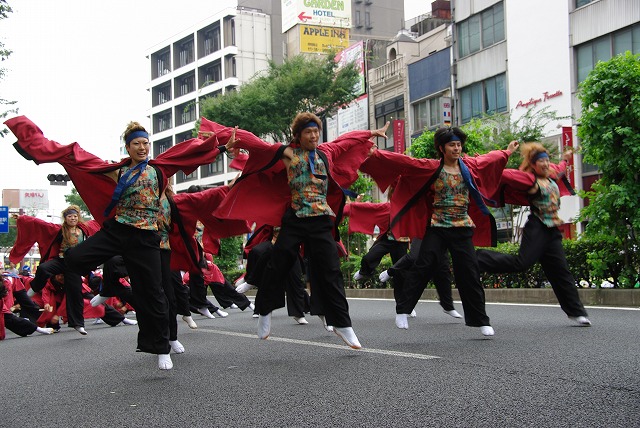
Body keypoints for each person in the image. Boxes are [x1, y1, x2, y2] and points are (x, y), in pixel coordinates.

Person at [5, 115, 228, 370]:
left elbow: (190, 154)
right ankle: (98, 289)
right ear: (128, 147)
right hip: (118, 230)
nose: (142, 148)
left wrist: (220, 148)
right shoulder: (116, 170)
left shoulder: (159, 169)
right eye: (137, 144)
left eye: (146, 143)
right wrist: (34, 142)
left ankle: (162, 347)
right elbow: (76, 155)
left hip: (145, 239)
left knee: (154, 294)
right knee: (74, 258)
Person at [208, 114, 389, 349]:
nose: (313, 135)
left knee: (331, 270)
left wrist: (371, 133)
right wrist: (221, 138)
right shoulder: (288, 154)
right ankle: (264, 311)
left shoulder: (327, 152)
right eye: (308, 132)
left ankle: (343, 324)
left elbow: (347, 140)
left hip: (322, 219)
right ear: (298, 135)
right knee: (278, 264)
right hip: (294, 219)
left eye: (316, 131)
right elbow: (256, 144)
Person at [361, 127, 518, 336]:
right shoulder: (432, 167)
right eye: (452, 145)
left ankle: (481, 320)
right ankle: (403, 310)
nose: (457, 148)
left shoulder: (468, 167)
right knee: (423, 265)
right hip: (437, 226)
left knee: (469, 273)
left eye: (459, 145)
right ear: (442, 148)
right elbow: (405, 162)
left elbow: (490, 159)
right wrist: (376, 154)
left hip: (462, 227)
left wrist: (506, 152)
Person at [477, 143, 591, 326]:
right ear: (533, 165)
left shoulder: (551, 174)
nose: (546, 164)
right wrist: (489, 161)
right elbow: (503, 174)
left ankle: (576, 312)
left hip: (552, 229)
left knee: (561, 272)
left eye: (547, 160)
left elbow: (560, 168)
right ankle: (480, 258)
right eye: (541, 162)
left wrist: (565, 158)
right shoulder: (528, 180)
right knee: (522, 263)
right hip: (537, 227)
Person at [9, 207, 101, 335]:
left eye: (74, 216)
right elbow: (39, 224)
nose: (72, 218)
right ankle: (35, 288)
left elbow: (101, 221)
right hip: (60, 261)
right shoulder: (59, 229)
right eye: (69, 217)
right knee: (43, 268)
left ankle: (78, 324)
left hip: (74, 265)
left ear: (78, 217)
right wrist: (22, 218)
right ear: (66, 218)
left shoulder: (84, 228)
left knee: (75, 293)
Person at [379, 238, 462, 319]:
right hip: (422, 229)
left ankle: (448, 306)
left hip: (441, 231)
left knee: (443, 267)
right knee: (414, 256)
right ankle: (390, 272)